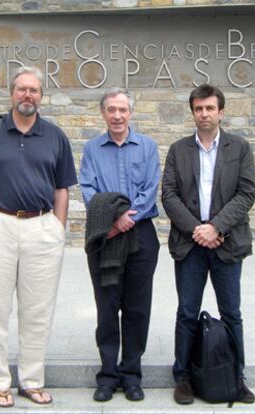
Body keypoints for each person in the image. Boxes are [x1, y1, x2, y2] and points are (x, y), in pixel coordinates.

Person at [0, 66, 77, 408]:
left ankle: (31, 381)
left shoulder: (55, 137)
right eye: (21, 89)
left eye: (34, 90)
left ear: (41, 96)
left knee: (37, 311)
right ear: (12, 93)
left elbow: (62, 188)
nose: (28, 95)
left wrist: (57, 228)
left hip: (41, 229)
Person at [161, 84, 255, 405]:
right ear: (193, 113)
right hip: (190, 246)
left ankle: (237, 376)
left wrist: (215, 227)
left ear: (221, 112)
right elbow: (169, 195)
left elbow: (246, 193)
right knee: (187, 312)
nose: (204, 114)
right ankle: (183, 377)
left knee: (231, 313)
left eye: (210, 108)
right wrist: (197, 230)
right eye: (198, 109)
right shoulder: (178, 150)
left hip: (227, 244)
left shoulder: (239, 148)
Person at [79, 88, 160, 402]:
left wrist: (129, 217)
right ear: (103, 113)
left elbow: (151, 187)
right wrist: (113, 220)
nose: (117, 115)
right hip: (105, 236)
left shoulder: (148, 147)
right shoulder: (92, 149)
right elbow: (88, 189)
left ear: (131, 113)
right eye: (111, 109)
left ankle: (131, 374)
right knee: (108, 307)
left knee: (137, 309)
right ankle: (108, 375)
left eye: (122, 110)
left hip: (141, 235)